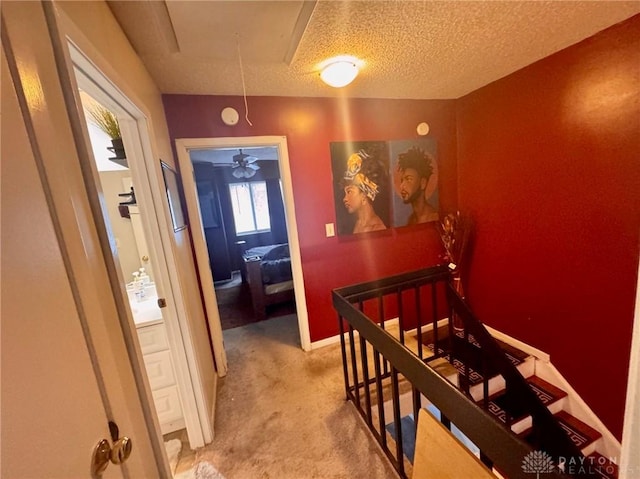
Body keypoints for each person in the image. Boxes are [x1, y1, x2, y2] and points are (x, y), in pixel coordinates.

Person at [342, 149, 387, 234]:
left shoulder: (378, 228)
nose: (344, 198)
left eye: (349, 192)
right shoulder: (358, 224)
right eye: (345, 193)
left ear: (364, 195)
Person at [396, 146, 439, 225]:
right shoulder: (411, 220)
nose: (402, 186)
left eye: (408, 179)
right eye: (402, 180)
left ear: (423, 183)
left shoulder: (432, 218)